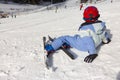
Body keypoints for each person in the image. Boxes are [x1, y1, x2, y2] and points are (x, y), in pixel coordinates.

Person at [45, 6, 111, 63]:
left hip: (83, 46)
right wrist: (106, 40)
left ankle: (50, 48)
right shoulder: (101, 25)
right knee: (75, 38)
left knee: (64, 38)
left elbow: (88, 41)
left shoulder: (86, 29)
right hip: (94, 44)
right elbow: (104, 34)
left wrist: (92, 53)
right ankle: (68, 43)